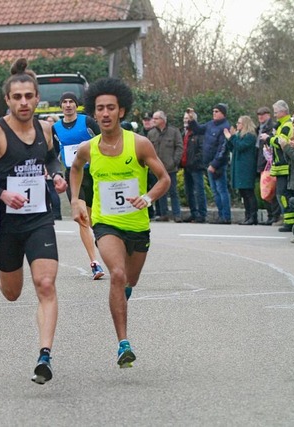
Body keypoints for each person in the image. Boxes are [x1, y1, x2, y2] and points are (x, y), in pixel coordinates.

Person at [0, 58, 67, 385]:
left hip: (39, 219)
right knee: (11, 292)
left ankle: (45, 355)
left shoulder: (46, 128)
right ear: (7, 99)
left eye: (29, 96)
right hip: (6, 226)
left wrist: (59, 175)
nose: (23, 102)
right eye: (17, 97)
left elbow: (51, 156)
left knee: (46, 284)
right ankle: (1, 274)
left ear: (37, 98)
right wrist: (0, 194)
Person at [69, 77, 170, 369]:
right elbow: (75, 169)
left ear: (121, 111)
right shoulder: (88, 147)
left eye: (110, 108)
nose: (104, 113)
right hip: (105, 223)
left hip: (137, 224)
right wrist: (76, 200)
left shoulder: (139, 144)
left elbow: (163, 179)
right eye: (99, 108)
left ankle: (121, 296)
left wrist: (148, 199)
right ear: (94, 112)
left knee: (130, 280)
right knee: (116, 273)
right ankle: (123, 344)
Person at [52, 91, 105, 279]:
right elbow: (54, 153)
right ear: (61, 106)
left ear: (76, 105)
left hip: (94, 174)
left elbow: (103, 141)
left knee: (94, 219)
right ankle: (95, 263)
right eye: (64, 102)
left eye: (71, 102)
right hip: (73, 175)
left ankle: (101, 239)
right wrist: (55, 172)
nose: (68, 105)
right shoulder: (56, 128)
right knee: (81, 218)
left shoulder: (88, 122)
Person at [188, 103, 231, 224]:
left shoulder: (225, 127)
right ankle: (220, 215)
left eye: (217, 111)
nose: (214, 113)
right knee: (215, 191)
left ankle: (226, 216)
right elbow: (198, 129)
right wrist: (192, 120)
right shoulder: (211, 124)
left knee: (221, 190)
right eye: (213, 111)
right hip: (209, 163)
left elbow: (223, 148)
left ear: (223, 113)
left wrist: (215, 164)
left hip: (218, 164)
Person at [263, 100, 294, 232]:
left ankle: (290, 222)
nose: (275, 115)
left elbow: (280, 141)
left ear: (283, 112)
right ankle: (290, 221)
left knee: (283, 195)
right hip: (280, 166)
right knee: (282, 194)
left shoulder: (287, 125)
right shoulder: (281, 125)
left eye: (276, 112)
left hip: (284, 166)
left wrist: (268, 138)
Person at [148, 110, 183, 222]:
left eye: (156, 118)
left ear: (162, 120)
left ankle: (177, 214)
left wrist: (174, 161)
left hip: (170, 168)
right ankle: (164, 214)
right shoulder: (151, 133)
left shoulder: (174, 132)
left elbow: (179, 147)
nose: (153, 121)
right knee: (160, 192)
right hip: (157, 168)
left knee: (173, 192)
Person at [225, 116, 258, 225]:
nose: (237, 124)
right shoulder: (239, 135)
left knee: (248, 192)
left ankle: (253, 216)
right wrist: (229, 139)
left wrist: (232, 137)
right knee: (243, 193)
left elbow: (240, 146)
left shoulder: (250, 136)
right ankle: (247, 216)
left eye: (239, 123)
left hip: (246, 168)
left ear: (245, 124)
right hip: (239, 167)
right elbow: (233, 148)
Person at [181, 109, 207, 223]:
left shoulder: (198, 133)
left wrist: (194, 161)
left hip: (196, 166)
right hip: (186, 166)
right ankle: (193, 213)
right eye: (185, 119)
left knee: (199, 190)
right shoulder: (183, 133)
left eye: (188, 119)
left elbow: (202, 150)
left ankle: (201, 214)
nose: (186, 121)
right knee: (189, 191)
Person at [255, 106, 280, 225]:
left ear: (268, 115)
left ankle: (274, 216)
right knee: (265, 191)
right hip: (262, 164)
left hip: (269, 163)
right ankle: (270, 215)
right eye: (259, 114)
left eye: (263, 114)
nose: (260, 116)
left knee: (271, 191)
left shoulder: (271, 128)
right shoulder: (259, 129)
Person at [43, 114, 63, 221]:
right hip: (46, 165)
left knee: (52, 189)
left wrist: (50, 168)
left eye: (51, 121)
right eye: (47, 121)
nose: (49, 123)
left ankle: (57, 214)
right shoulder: (44, 134)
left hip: (54, 164)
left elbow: (55, 153)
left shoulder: (55, 135)